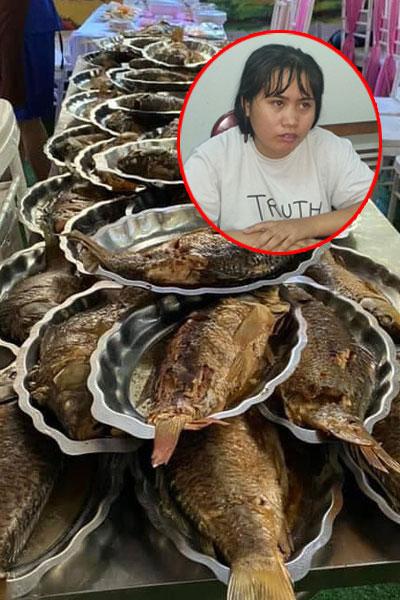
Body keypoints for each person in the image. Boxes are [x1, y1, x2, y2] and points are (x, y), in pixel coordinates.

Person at [183, 44, 375, 252]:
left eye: (304, 105)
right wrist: (278, 243)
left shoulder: (331, 148)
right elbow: (188, 239)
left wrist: (303, 227)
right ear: (247, 105)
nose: (291, 120)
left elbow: (368, 211)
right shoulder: (210, 160)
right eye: (277, 103)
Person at [0, 0, 61, 181]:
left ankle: (49, 188)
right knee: (17, 117)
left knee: (26, 116)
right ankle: (12, 183)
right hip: (27, 24)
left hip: (21, 27)